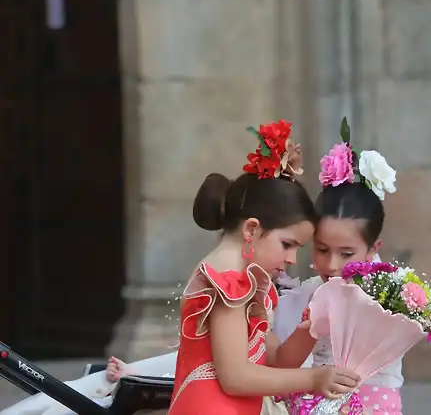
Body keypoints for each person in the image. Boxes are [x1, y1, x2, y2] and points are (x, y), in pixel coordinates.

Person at [0, 120, 361, 415]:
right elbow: (235, 377)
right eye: (287, 245)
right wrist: (314, 379)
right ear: (252, 229)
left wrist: (313, 324)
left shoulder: (247, 281)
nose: (291, 259)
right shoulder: (228, 281)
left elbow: (275, 363)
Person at [270, 137, 431, 414]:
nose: (332, 264)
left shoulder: (388, 287)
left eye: (347, 253)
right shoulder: (306, 295)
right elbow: (282, 367)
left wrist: (411, 302)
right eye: (322, 249)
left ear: (373, 248)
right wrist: (312, 326)